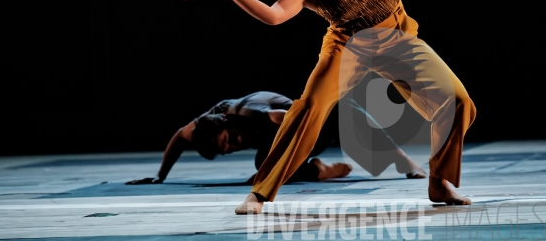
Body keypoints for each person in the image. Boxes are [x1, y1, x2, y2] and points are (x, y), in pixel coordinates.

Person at [181, 0, 477, 213]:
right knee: (309, 106)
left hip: (396, 39)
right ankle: (259, 194)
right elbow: (274, 17)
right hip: (347, 45)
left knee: (458, 102)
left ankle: (438, 182)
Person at [124, 91, 426, 185]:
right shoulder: (203, 126)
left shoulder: (255, 115)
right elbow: (179, 136)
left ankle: (407, 163)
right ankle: (320, 169)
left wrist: (267, 172)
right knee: (264, 166)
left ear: (227, 124)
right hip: (281, 141)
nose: (230, 149)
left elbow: (301, 121)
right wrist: (160, 176)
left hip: (314, 124)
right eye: (224, 151)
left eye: (227, 141)